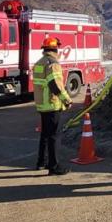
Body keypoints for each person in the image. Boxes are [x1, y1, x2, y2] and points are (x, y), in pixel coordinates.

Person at [34, 36, 72, 175]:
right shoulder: (53, 63)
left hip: (42, 104)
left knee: (45, 134)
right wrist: (66, 100)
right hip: (51, 103)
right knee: (53, 136)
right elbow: (54, 84)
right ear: (55, 49)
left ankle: (41, 162)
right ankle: (54, 166)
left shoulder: (40, 62)